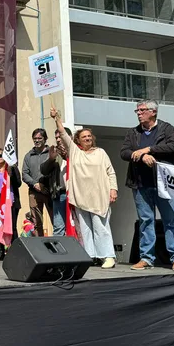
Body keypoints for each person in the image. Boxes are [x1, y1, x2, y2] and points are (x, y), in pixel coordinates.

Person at [121, 99, 174, 271]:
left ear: (153, 112)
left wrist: (149, 150)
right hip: (141, 184)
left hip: (165, 183)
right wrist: (142, 157)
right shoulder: (133, 132)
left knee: (172, 220)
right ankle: (146, 258)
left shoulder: (167, 128)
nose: (139, 113)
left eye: (142, 110)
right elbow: (125, 152)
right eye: (137, 111)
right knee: (145, 221)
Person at [51, 106, 118, 269]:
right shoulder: (74, 152)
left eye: (89, 136)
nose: (87, 139)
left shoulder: (101, 152)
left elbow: (111, 172)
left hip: (99, 196)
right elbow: (63, 134)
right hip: (81, 196)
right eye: (84, 137)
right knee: (85, 229)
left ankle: (108, 256)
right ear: (78, 141)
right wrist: (57, 118)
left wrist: (113, 189)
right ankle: (91, 255)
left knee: (100, 227)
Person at [0, 148, 22, 260]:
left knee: (12, 227)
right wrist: (1, 196)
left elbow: (18, 183)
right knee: (0, 227)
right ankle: (1, 252)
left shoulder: (11, 169)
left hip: (11, 203)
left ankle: (15, 251)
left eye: (0, 155)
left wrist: (13, 170)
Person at [40, 128, 72, 236]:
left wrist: (67, 155)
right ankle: (59, 252)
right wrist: (51, 159)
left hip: (74, 194)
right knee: (58, 228)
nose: (58, 140)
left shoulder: (77, 151)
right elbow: (43, 170)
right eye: (56, 137)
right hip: (60, 194)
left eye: (60, 137)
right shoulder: (54, 152)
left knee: (75, 225)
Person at [22, 128, 52, 236]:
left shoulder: (51, 153)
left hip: (50, 192)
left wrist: (45, 185)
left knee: (56, 220)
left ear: (45, 139)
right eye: (35, 138)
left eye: (40, 138)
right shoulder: (28, 156)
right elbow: (24, 174)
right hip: (34, 192)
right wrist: (35, 184)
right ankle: (39, 247)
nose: (37, 140)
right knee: (36, 222)